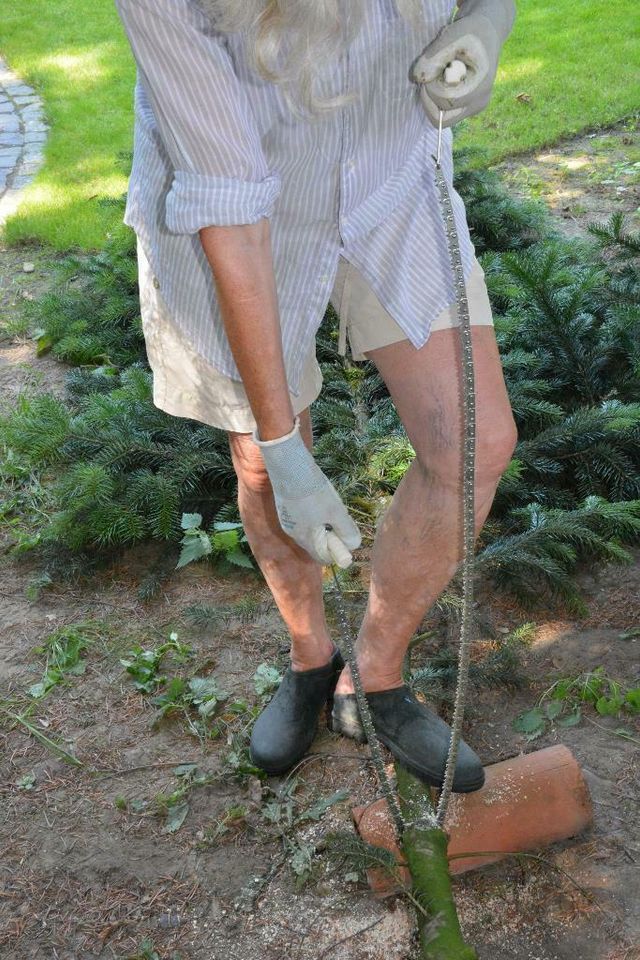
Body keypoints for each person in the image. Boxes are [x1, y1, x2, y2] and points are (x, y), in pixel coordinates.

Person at [115, 0, 518, 792]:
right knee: (266, 465)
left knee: (474, 445)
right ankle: (309, 656)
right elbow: (230, 202)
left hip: (393, 180)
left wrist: (489, 21)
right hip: (233, 213)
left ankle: (372, 677)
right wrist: (280, 446)